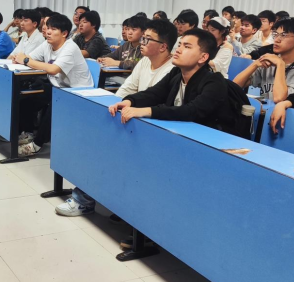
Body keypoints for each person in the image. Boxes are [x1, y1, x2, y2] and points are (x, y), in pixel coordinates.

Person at [55, 19, 177, 217]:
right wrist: (112, 105)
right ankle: (87, 199)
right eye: (143, 38)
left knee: (104, 148)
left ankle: (94, 201)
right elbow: (128, 88)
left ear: (163, 46)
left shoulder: (172, 70)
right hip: (131, 118)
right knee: (95, 138)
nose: (142, 43)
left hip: (150, 127)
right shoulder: (145, 62)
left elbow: (160, 104)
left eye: (147, 39)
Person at [109, 28, 234, 131]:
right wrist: (130, 101)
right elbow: (154, 93)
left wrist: (145, 111)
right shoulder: (176, 73)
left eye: (187, 47)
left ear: (203, 57)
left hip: (209, 140)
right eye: (179, 45)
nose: (178, 50)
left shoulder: (214, 82)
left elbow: (191, 111)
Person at [13, 13, 93, 156]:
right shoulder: (47, 44)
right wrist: (21, 59)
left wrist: (25, 60)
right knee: (27, 98)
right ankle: (28, 133)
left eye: (53, 29)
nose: (48, 31)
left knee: (54, 106)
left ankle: (37, 145)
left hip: (78, 92)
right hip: (58, 87)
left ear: (64, 33)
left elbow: (53, 69)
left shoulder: (70, 48)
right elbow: (30, 58)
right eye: (48, 27)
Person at [233, 17, 294, 102]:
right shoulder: (269, 61)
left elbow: (279, 98)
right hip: (266, 109)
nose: (276, 40)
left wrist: (280, 65)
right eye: (275, 34)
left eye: (283, 35)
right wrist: (255, 64)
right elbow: (234, 87)